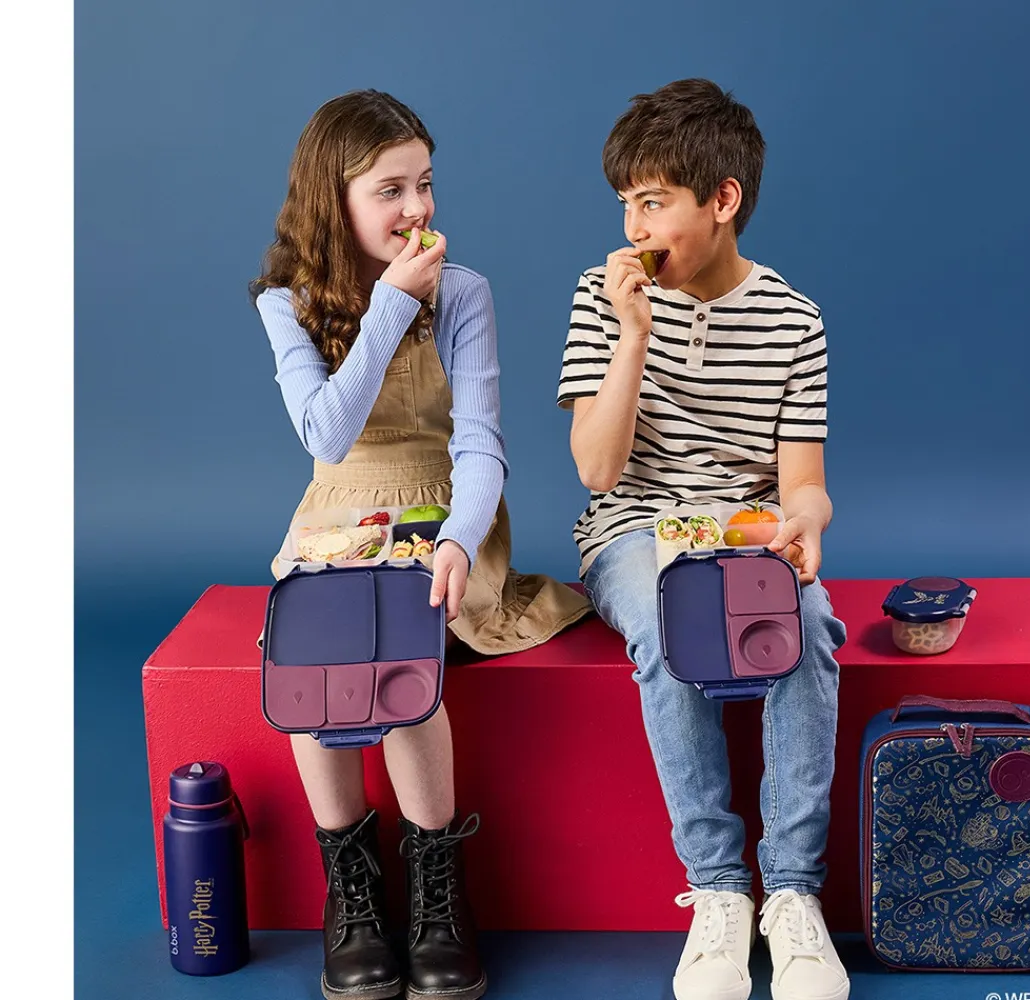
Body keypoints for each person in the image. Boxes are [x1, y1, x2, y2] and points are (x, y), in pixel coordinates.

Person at [252, 89, 591, 1000]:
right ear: (335, 200)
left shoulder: (465, 291)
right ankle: (352, 890)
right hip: (339, 509)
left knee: (400, 636)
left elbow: (480, 443)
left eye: (425, 184)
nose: (417, 208)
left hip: (444, 508)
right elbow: (326, 435)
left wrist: (458, 540)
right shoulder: (285, 303)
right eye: (390, 190)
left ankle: (439, 889)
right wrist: (389, 308)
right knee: (317, 644)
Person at [557, 79, 850, 1000]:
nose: (634, 227)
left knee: (811, 626)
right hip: (632, 528)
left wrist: (806, 521)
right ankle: (720, 889)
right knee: (670, 620)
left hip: (746, 531)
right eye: (626, 204)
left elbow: (803, 483)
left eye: (653, 203)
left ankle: (792, 893)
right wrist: (632, 337)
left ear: (722, 199)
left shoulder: (795, 320)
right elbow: (596, 470)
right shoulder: (601, 296)